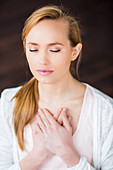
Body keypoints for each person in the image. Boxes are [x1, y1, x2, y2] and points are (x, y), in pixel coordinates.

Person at [0, 5, 113, 170]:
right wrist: (37, 155)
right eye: (33, 49)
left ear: (74, 52)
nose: (42, 60)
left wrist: (68, 153)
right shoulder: (8, 102)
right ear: (25, 49)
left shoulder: (106, 112)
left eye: (54, 50)